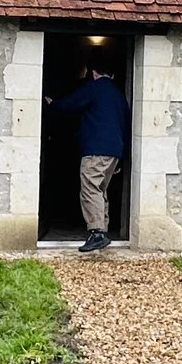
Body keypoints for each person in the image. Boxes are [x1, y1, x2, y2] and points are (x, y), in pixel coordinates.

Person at [52, 61, 128, 252]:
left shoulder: (94, 88)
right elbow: (126, 126)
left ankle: (97, 233)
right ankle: (103, 229)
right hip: (114, 151)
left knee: (90, 189)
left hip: (96, 149)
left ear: (93, 73)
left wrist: (52, 104)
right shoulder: (119, 95)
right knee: (100, 190)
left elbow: (70, 105)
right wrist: (122, 155)